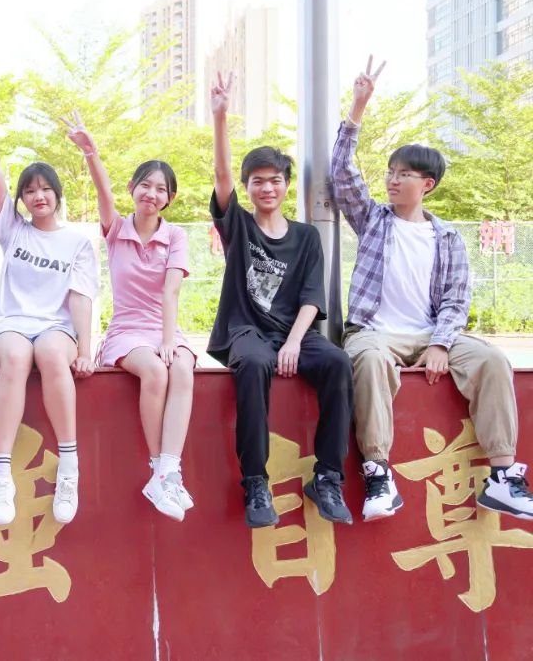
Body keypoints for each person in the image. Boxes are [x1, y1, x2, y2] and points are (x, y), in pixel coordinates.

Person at [332, 55, 533, 522]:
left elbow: (456, 300)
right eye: (391, 171)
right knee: (369, 361)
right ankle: (378, 473)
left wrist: (441, 343)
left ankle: (502, 476)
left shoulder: (447, 237)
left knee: (492, 360)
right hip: (375, 332)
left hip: (429, 333)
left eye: (404, 174)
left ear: (428, 184)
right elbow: (342, 174)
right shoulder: (373, 220)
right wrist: (358, 107)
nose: (392, 179)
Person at [0, 86, 98, 527]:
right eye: (29, 191)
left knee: (49, 353)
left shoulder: (77, 243)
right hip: (9, 326)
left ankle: (69, 468)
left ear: (57, 195)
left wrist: (86, 350)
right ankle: (1, 474)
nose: (38, 196)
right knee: (16, 355)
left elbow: (80, 298)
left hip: (55, 329)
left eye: (45, 189)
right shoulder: (13, 231)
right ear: (22, 200)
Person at [208, 71, 354, 528]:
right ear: (248, 187)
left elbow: (311, 297)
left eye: (274, 180)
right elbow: (221, 175)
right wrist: (220, 117)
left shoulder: (307, 237)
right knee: (254, 365)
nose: (266, 188)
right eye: (257, 181)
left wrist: (293, 342)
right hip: (247, 331)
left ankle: (327, 476)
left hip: (295, 334)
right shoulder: (239, 227)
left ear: (286, 184)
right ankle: (255, 482)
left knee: (338, 363)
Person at [62, 111, 195, 520]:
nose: (152, 193)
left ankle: (170, 471)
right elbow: (102, 192)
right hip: (127, 331)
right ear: (132, 189)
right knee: (155, 372)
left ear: (169, 198)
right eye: (145, 185)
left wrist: (169, 341)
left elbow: (171, 290)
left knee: (183, 369)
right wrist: (91, 153)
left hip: (164, 327)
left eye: (161, 189)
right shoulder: (116, 229)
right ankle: (158, 470)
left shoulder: (175, 236)